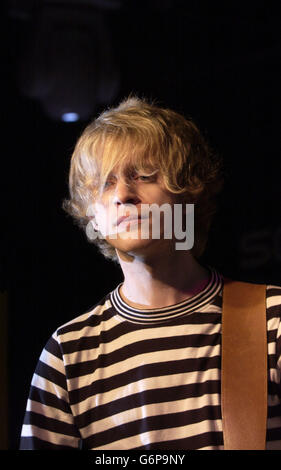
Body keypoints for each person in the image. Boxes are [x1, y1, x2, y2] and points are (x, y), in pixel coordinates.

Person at [20, 97, 281, 450]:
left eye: (143, 175)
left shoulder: (271, 319)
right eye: (105, 183)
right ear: (92, 215)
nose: (124, 195)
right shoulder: (68, 354)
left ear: (188, 189)